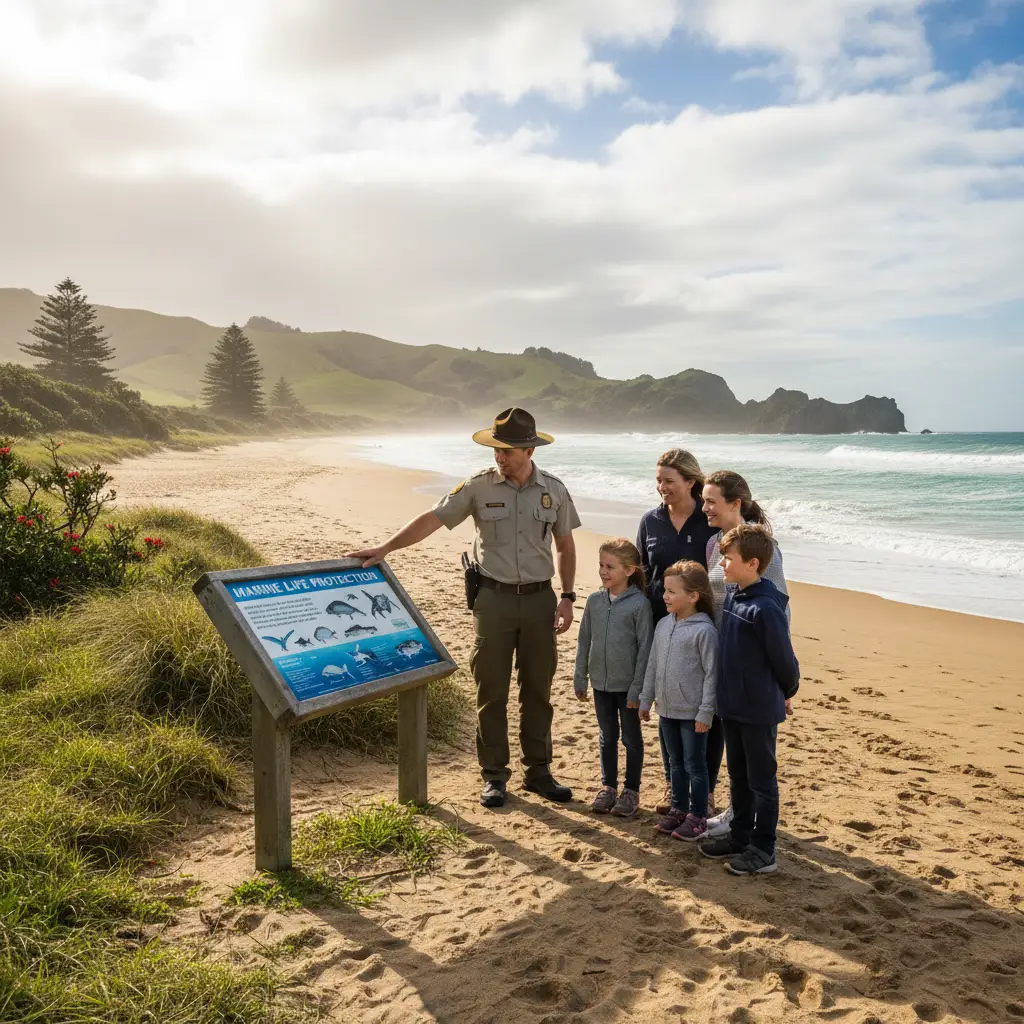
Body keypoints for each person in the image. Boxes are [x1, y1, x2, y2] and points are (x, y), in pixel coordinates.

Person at [347, 407, 581, 809]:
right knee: (491, 690)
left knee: (538, 691)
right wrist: (386, 548)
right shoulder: (478, 487)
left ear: (529, 450)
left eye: (507, 450)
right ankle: (494, 776)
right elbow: (433, 519)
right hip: (493, 600)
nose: (499, 457)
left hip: (540, 600)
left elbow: (565, 545)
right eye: (496, 449)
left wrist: (567, 596)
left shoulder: (554, 490)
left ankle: (539, 773)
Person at [699, 524, 799, 875]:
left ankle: (763, 850)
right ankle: (740, 836)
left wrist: (787, 692)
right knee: (738, 776)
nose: (722, 564)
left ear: (753, 564)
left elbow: (784, 662)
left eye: (728, 558)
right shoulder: (734, 596)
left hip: (758, 710)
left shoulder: (766, 608)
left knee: (762, 782)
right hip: (733, 706)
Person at [636, 449, 717, 816]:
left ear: (690, 481)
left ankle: (707, 789)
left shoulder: (709, 520)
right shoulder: (650, 521)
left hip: (701, 628)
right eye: (658, 480)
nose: (662, 487)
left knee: (704, 709)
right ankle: (673, 785)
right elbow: (641, 574)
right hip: (661, 625)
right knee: (668, 706)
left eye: (669, 480)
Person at [638, 561, 718, 842]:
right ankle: (678, 808)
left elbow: (712, 675)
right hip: (666, 710)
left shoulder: (705, 631)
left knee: (695, 765)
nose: (665, 596)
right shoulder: (663, 625)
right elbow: (652, 665)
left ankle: (698, 816)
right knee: (674, 763)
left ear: (693, 596)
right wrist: (646, 699)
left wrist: (706, 712)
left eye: (672, 592)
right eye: (665, 590)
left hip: (693, 714)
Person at [573, 539, 653, 818]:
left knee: (631, 739)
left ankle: (631, 791)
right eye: (601, 565)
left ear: (629, 570)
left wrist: (637, 689)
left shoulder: (640, 605)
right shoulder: (594, 601)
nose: (603, 572)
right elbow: (584, 640)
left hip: (628, 687)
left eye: (610, 567)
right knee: (607, 737)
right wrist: (580, 677)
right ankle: (608, 787)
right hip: (600, 684)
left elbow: (645, 650)